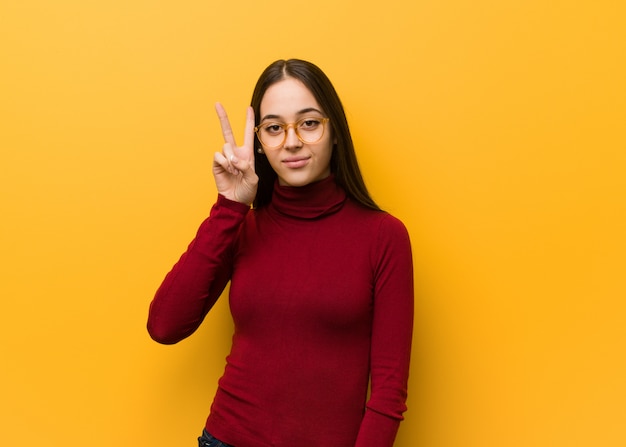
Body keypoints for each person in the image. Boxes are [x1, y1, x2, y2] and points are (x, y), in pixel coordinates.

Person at [147, 59, 414, 447]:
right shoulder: (241, 226)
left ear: (334, 131)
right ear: (260, 142)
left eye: (308, 123)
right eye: (274, 128)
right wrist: (229, 207)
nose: (291, 142)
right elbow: (164, 326)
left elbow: (389, 391)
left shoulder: (383, 236)